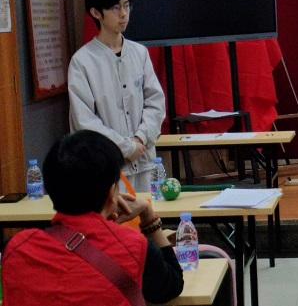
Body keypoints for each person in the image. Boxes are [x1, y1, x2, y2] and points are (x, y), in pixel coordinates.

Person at [1, 130, 183, 305]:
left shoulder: (17, 248)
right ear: (112, 193)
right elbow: (170, 287)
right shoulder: (133, 246)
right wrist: (148, 216)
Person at [68, 0, 165, 192]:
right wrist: (126, 147)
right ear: (96, 13)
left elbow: (155, 102)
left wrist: (140, 137)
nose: (123, 14)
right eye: (115, 8)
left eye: (126, 6)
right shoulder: (82, 61)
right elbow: (85, 121)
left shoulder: (139, 53)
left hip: (145, 163)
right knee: (115, 214)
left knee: (148, 212)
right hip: (107, 168)